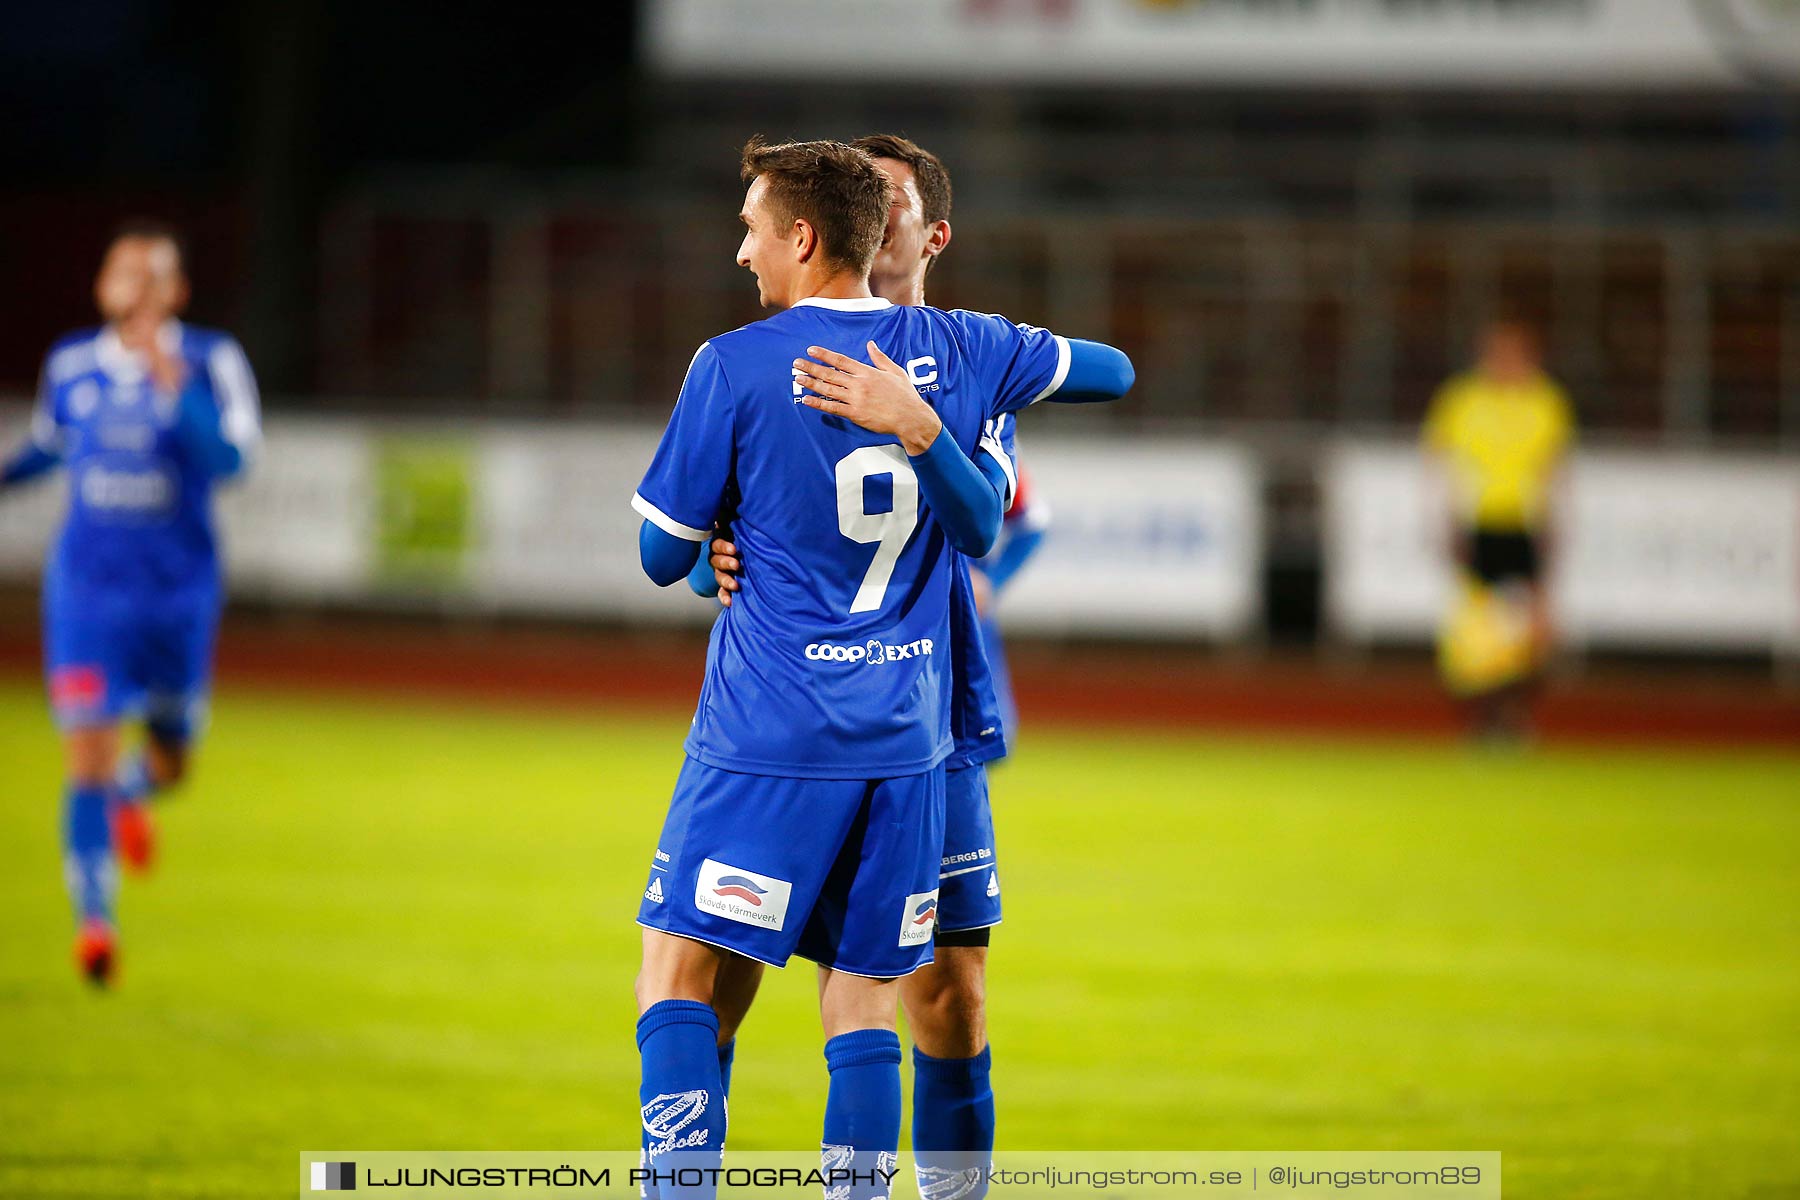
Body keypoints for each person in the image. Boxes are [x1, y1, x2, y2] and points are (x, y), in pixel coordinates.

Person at [630, 137, 1132, 1198]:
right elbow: (701, 549)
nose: (886, 220)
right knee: (810, 987)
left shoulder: (968, 358)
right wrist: (722, 545)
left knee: (942, 992)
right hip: (890, 721)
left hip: (915, 720)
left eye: (899, 203)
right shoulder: (906, 352)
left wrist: (921, 427)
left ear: (926, 234)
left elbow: (990, 517)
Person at [0, 220, 260, 985]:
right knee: (85, 752)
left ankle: (132, 795)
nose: (136, 289)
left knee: (173, 758)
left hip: (177, 594)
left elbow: (233, 462)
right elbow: (50, 446)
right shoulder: (72, 364)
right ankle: (95, 923)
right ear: (103, 285)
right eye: (124, 274)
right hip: (86, 591)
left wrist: (177, 390)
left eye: (153, 277)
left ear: (177, 291)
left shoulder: (211, 361)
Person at [1422, 316, 1574, 741]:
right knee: (1475, 635)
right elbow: (1441, 465)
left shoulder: (1546, 401)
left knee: (1534, 631)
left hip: (1526, 525)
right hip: (1476, 525)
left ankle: (1515, 715)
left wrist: (1556, 531)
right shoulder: (1461, 400)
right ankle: (1485, 720)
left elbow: (1555, 470)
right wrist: (1444, 522)